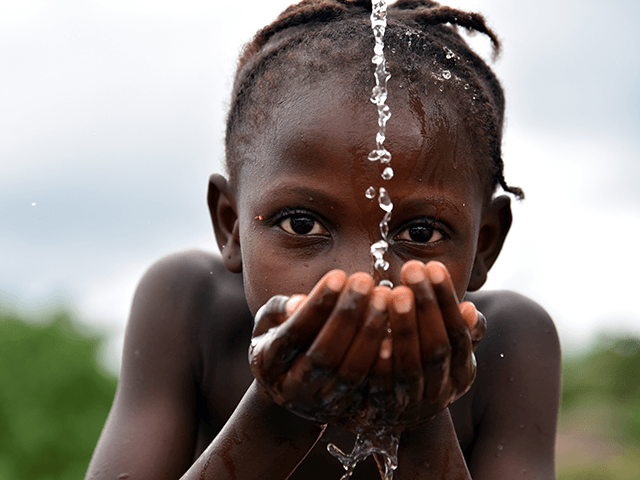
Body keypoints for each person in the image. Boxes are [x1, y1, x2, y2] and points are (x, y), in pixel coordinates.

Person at [86, 1, 561, 479]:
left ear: (484, 245)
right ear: (230, 224)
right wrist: (279, 413)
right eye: (301, 225)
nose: (361, 279)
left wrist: (418, 418)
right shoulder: (190, 307)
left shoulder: (511, 343)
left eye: (420, 233)